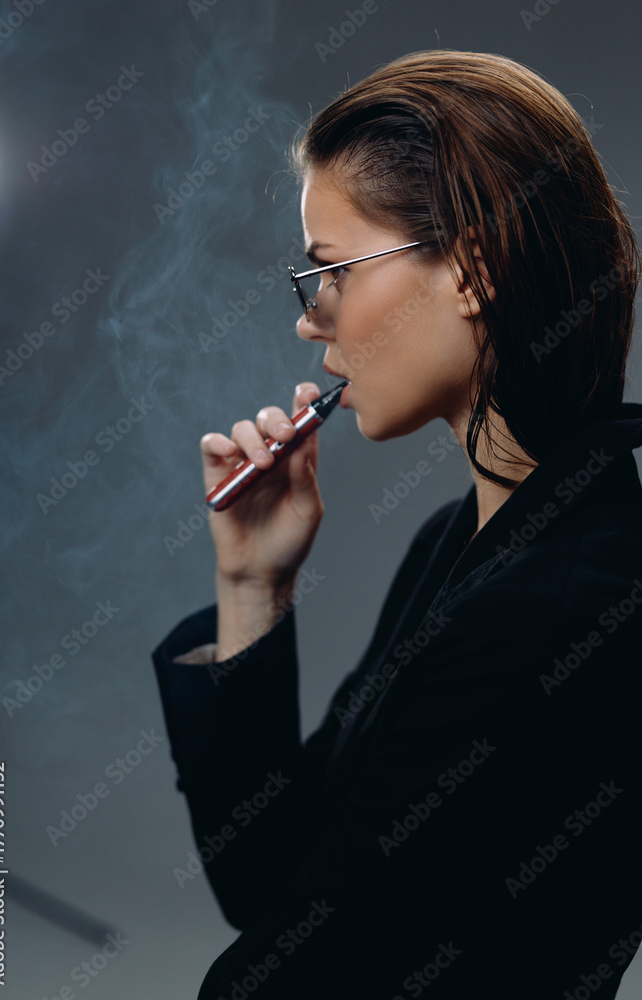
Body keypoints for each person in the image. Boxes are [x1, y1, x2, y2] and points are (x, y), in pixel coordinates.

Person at [152, 50, 642, 998]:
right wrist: (253, 585)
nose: (311, 320)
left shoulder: (558, 608)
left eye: (333, 271)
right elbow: (269, 879)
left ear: (473, 269)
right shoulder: (458, 546)